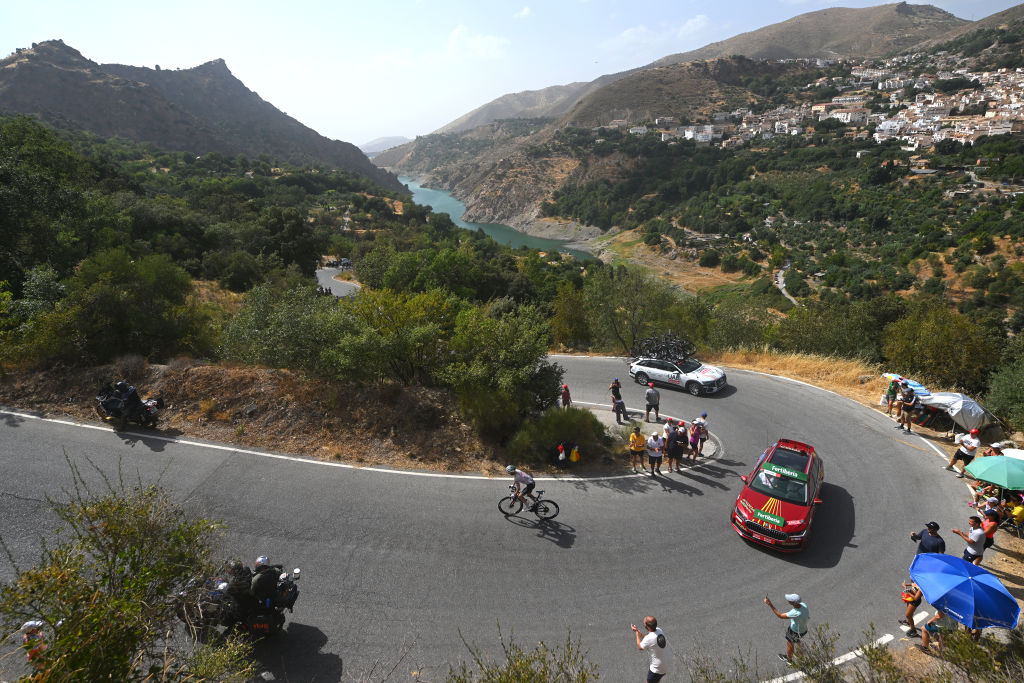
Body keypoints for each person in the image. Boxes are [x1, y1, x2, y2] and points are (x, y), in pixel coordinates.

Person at [765, 593, 808, 666]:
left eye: (789, 600)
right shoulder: (804, 605)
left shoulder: (795, 612)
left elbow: (780, 616)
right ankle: (801, 657)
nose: (787, 600)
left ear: (793, 603)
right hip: (803, 629)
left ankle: (789, 660)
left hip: (794, 631)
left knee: (790, 644)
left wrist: (770, 604)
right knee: (798, 640)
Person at [631, 616, 670, 682]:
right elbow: (648, 638)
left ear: (647, 626)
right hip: (665, 666)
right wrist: (639, 632)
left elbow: (640, 647)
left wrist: (637, 634)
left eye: (644, 623)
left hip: (656, 669)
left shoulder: (649, 638)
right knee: (657, 680)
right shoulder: (659, 630)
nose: (643, 624)